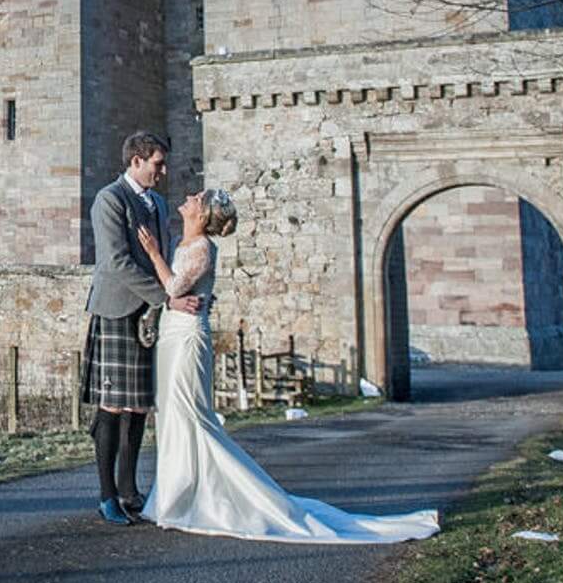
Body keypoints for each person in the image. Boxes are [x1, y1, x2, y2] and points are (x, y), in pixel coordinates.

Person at [134, 189, 440, 543]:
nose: (189, 196)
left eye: (198, 198)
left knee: (190, 415)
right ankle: (174, 496)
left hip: (187, 338)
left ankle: (192, 498)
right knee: (173, 414)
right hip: (174, 334)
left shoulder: (202, 247)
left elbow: (173, 285)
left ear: (202, 216)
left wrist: (154, 253)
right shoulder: (185, 241)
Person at [80, 131, 203, 525]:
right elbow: (116, 262)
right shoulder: (110, 200)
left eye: (162, 164)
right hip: (117, 310)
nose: (163, 172)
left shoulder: (160, 202)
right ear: (136, 161)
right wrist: (165, 297)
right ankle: (106, 496)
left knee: (138, 406)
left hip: (148, 314)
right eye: (156, 164)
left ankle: (130, 489)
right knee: (112, 406)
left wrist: (172, 294)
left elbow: (162, 258)